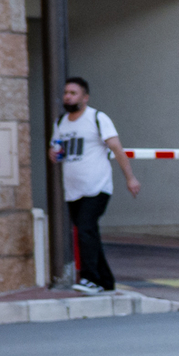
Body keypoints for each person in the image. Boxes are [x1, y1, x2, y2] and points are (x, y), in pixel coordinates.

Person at [49, 76, 139, 293]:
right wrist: (54, 154)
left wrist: (130, 178)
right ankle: (106, 281)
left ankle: (90, 279)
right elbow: (55, 151)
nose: (68, 97)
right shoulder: (61, 123)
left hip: (97, 187)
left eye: (73, 93)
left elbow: (117, 149)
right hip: (73, 190)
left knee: (85, 230)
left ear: (85, 97)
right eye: (66, 93)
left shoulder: (97, 118)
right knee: (88, 232)